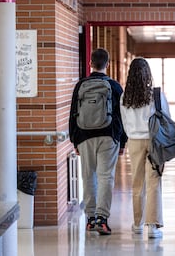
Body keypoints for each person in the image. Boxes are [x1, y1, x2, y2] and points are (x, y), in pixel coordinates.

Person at [69, 48, 127, 235]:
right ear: (107, 64)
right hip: (108, 136)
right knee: (105, 177)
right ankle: (102, 219)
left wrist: (74, 140)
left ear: (90, 63)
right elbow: (121, 117)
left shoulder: (80, 86)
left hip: (85, 136)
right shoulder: (115, 86)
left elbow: (72, 114)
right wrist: (122, 142)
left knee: (88, 177)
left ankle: (90, 218)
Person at [120, 57, 170, 239]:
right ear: (147, 74)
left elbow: (124, 122)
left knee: (137, 183)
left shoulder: (125, 96)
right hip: (154, 141)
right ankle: (153, 227)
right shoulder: (155, 95)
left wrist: (133, 134)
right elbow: (166, 117)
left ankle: (137, 224)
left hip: (134, 142)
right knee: (154, 182)